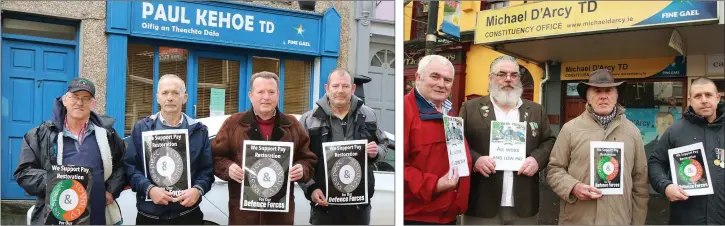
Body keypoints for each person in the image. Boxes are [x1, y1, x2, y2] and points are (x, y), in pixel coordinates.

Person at [14, 78, 127, 225]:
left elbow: (122, 164)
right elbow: (23, 172)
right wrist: (55, 181)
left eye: (85, 98)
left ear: (93, 104)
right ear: (64, 100)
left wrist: (111, 189)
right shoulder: (43, 134)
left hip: (96, 218)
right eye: (74, 97)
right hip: (57, 217)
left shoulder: (107, 135)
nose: (79, 103)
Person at [211, 71, 318, 225]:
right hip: (244, 215)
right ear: (250, 95)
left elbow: (308, 158)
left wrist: (303, 168)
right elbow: (215, 157)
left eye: (271, 92)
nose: (266, 97)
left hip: (279, 215)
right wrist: (228, 168)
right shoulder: (233, 124)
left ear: (278, 95)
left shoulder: (292, 125)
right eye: (260, 92)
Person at [459, 55, 556, 225]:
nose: (508, 79)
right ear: (490, 78)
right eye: (501, 74)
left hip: (524, 204)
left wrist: (536, 160)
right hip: (481, 204)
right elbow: (459, 142)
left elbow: (548, 140)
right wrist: (475, 160)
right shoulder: (470, 108)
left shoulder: (535, 110)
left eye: (514, 75)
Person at [546, 69, 649, 225]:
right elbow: (554, 170)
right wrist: (573, 187)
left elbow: (640, 183)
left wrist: (637, 222)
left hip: (619, 220)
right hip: (578, 219)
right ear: (587, 97)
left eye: (608, 90)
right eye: (597, 90)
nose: (603, 96)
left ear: (616, 96)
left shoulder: (632, 132)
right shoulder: (570, 129)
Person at [298, 68, 391, 225]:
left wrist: (376, 152)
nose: (340, 91)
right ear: (327, 88)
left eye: (345, 86)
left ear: (353, 89)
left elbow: (384, 144)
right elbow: (299, 159)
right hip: (324, 205)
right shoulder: (309, 119)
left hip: (358, 207)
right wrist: (311, 188)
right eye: (335, 86)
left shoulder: (368, 115)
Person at [123, 74, 215, 224]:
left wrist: (198, 190)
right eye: (165, 93)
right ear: (157, 97)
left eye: (175, 93)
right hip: (149, 217)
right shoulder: (142, 128)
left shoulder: (199, 130)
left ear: (185, 98)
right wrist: (149, 189)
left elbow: (207, 170)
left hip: (188, 215)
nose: (170, 98)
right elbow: (130, 168)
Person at [404, 55, 472, 225]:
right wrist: (434, 184)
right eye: (435, 76)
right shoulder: (405, 110)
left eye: (447, 80)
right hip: (416, 217)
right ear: (418, 78)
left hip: (448, 214)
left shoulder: (448, 111)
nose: (442, 84)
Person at [648, 77, 725, 224]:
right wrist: (666, 186)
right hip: (686, 219)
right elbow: (655, 163)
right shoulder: (675, 132)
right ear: (690, 100)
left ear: (717, 97)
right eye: (698, 96)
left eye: (708, 95)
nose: (703, 100)